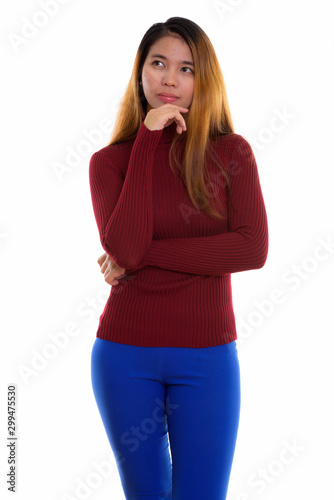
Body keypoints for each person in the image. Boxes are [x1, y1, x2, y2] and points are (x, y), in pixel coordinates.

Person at [88, 16, 269, 500]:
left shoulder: (233, 154)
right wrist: (148, 138)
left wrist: (144, 256)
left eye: (186, 69)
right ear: (140, 72)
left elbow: (251, 248)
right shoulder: (109, 163)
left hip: (207, 357)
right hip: (124, 356)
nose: (170, 78)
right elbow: (123, 249)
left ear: (202, 78)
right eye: (159, 63)